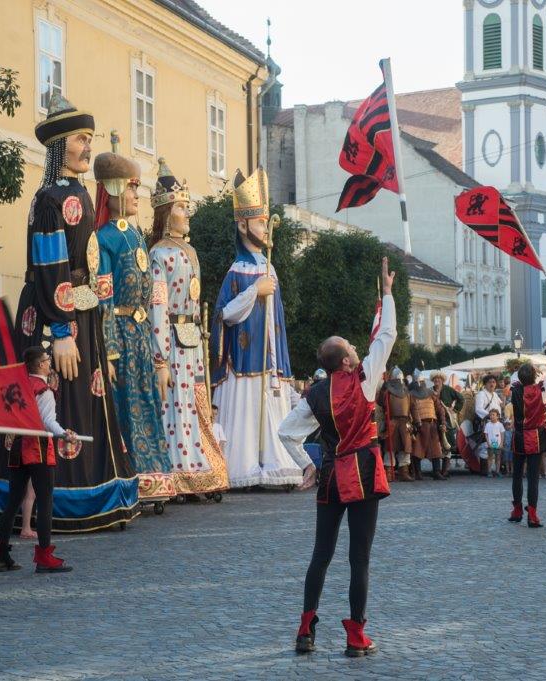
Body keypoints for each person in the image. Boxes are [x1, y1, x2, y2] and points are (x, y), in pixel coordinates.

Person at [5, 94, 138, 532]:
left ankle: (95, 490)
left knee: (85, 397)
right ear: (61, 145)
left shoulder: (77, 193)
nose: (88, 147)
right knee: (61, 401)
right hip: (54, 313)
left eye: (89, 138)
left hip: (81, 312)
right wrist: (61, 331)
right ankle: (59, 501)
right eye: (81, 139)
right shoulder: (49, 199)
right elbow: (51, 266)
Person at [279, 257, 395, 658]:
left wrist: (308, 465)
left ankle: (305, 629)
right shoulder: (364, 379)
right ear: (346, 360)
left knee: (321, 555)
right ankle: (355, 636)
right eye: (351, 347)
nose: (357, 349)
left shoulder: (315, 393)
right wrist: (386, 293)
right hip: (362, 472)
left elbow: (286, 432)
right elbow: (387, 335)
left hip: (330, 474)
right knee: (359, 559)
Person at [211, 168, 302, 488]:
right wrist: (254, 291)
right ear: (242, 225)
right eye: (260, 222)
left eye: (265, 222)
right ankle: (245, 468)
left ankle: (274, 464)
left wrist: (280, 363)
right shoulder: (237, 269)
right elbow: (224, 314)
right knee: (246, 415)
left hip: (269, 361)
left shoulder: (269, 267)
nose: (265, 228)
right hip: (243, 360)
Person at [94, 143, 175, 503]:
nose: (135, 194)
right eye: (130, 187)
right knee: (126, 405)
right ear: (112, 191)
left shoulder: (138, 235)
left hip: (141, 334)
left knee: (147, 403)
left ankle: (155, 473)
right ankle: (130, 477)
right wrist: (109, 351)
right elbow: (104, 298)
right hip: (122, 336)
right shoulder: (103, 239)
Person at [146, 159, 230, 498]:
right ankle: (178, 473)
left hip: (192, 340)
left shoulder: (190, 251)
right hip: (172, 342)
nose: (187, 213)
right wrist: (160, 358)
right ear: (167, 213)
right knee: (176, 406)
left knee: (195, 405)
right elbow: (157, 306)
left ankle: (199, 466)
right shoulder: (159, 255)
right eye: (181, 207)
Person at [0, 347, 77, 574]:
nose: (50, 363)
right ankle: (44, 558)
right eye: (47, 360)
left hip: (17, 446)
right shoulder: (44, 391)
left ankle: (1, 556)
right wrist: (64, 434)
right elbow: (48, 421)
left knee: (13, 501)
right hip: (37, 447)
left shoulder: (17, 387)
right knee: (45, 501)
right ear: (40, 364)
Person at [507, 340, 546, 528]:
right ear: (535, 375)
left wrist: (525, 366)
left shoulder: (514, 388)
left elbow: (515, 375)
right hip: (535, 438)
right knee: (533, 478)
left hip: (519, 436)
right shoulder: (542, 389)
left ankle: (516, 510)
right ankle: (532, 514)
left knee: (516, 475)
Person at [409, 376, 447, 480]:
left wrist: (443, 423)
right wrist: (414, 424)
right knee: (417, 450)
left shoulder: (431, 394)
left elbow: (440, 409)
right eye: (418, 382)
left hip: (432, 425)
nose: (419, 384)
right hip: (419, 425)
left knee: (435, 449)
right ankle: (418, 472)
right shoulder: (411, 395)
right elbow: (410, 411)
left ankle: (436, 472)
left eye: (421, 382)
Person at [379, 368, 413, 482]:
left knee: (405, 448)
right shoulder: (388, 391)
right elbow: (381, 402)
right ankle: (389, 472)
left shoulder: (406, 391)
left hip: (404, 422)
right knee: (390, 448)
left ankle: (404, 472)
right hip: (392, 421)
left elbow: (412, 407)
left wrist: (416, 421)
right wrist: (383, 389)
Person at [431, 371, 463, 476]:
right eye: (435, 379)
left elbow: (461, 398)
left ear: (442, 380)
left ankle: (445, 470)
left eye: (439, 378)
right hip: (434, 419)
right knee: (435, 443)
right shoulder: (430, 391)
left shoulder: (448, 390)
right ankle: (436, 470)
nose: (437, 380)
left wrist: (455, 409)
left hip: (447, 420)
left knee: (447, 443)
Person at [484, 409, 506, 479]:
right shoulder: (487, 425)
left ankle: (497, 471)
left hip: (498, 444)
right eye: (490, 415)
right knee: (490, 458)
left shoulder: (500, 425)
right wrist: (488, 443)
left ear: (497, 416)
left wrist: (501, 443)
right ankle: (489, 471)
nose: (492, 416)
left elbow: (502, 434)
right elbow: (486, 434)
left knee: (498, 458)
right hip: (490, 445)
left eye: (493, 415)